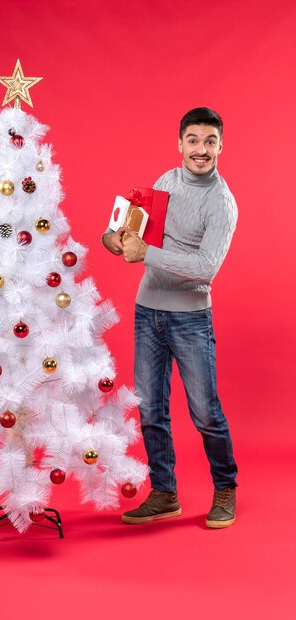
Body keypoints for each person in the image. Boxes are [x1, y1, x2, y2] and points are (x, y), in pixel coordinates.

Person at [102, 107, 238, 529]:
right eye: (193, 140)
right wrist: (115, 238)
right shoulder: (164, 182)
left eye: (210, 141)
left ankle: (225, 488)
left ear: (221, 146)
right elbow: (138, 236)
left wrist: (147, 254)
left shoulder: (222, 203)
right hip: (148, 313)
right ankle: (164, 493)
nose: (201, 149)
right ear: (179, 143)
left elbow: (205, 268)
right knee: (150, 409)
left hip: (191, 319)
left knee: (205, 412)